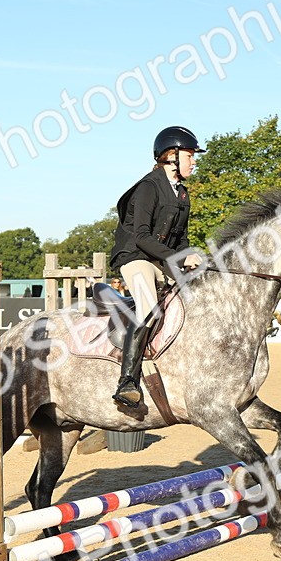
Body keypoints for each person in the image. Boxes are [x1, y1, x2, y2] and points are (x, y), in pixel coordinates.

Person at [107, 125, 205, 407]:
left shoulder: (182, 194)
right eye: (190, 155)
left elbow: (181, 240)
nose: (193, 161)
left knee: (196, 297)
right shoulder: (148, 187)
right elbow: (141, 236)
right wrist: (180, 259)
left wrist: (194, 260)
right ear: (171, 156)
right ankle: (127, 381)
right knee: (149, 307)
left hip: (160, 259)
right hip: (135, 257)